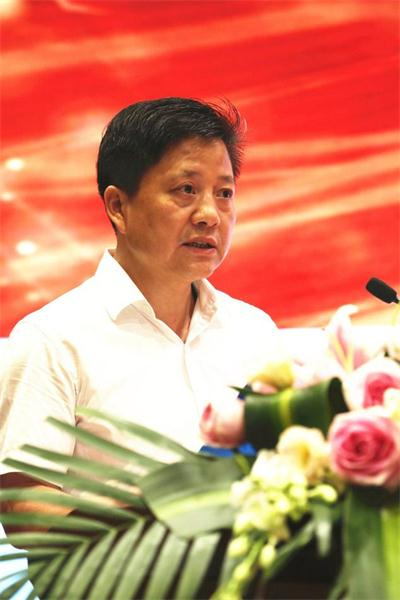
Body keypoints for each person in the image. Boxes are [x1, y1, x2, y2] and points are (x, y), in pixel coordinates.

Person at [0, 97, 280, 525]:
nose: (210, 214)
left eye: (224, 193)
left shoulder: (254, 331)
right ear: (118, 206)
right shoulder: (52, 340)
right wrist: (160, 509)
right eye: (186, 190)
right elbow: (25, 511)